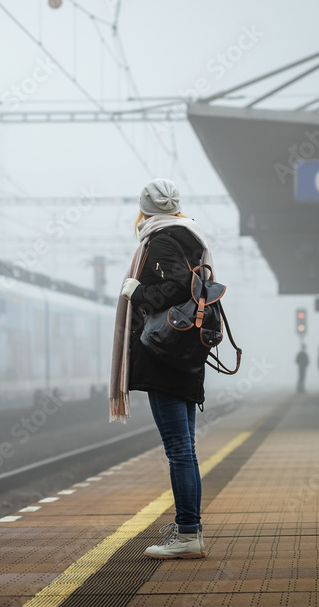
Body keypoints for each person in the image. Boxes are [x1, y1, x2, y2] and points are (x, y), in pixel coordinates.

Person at [110, 178, 214, 560]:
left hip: (165, 354)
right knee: (185, 449)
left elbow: (176, 287)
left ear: (145, 209)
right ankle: (189, 528)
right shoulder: (190, 238)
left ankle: (188, 532)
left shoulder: (161, 240)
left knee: (179, 450)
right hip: (185, 354)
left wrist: (136, 291)